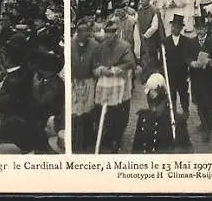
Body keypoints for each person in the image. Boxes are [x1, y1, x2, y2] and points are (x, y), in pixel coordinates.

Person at [92, 20, 137, 153]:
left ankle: (117, 137)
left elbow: (130, 63)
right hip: (106, 85)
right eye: (106, 33)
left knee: (120, 112)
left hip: (121, 85)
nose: (108, 36)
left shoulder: (125, 46)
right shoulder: (100, 47)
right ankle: (107, 135)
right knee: (105, 111)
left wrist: (115, 70)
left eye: (111, 33)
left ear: (115, 33)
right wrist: (101, 70)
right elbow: (95, 63)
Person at [132, 73, 193, 154]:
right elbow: (136, 149)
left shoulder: (177, 121)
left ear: (165, 101)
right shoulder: (143, 118)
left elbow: (187, 152)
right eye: (151, 103)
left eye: (158, 104)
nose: (154, 109)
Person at [188, 17, 212, 142]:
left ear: (206, 28)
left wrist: (211, 61)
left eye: (202, 28)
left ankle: (208, 129)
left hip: (210, 79)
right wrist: (191, 63)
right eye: (198, 28)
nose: (200, 31)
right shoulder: (191, 42)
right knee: (199, 103)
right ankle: (203, 123)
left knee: (208, 104)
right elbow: (187, 56)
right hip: (196, 78)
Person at [71, 18, 98, 153]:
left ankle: (87, 139)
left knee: (87, 112)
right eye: (83, 31)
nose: (86, 33)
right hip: (75, 82)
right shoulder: (71, 44)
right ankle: (75, 140)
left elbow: (96, 63)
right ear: (78, 32)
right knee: (75, 112)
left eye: (88, 31)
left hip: (89, 82)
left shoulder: (94, 45)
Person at [137, 0, 165, 83]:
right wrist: (141, 34)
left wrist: (146, 35)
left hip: (153, 38)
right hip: (143, 37)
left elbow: (155, 26)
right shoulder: (140, 10)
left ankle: (152, 75)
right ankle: (145, 74)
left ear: (148, 0)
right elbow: (138, 23)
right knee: (144, 55)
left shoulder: (154, 10)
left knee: (151, 55)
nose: (141, 1)